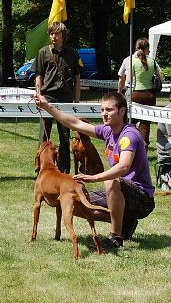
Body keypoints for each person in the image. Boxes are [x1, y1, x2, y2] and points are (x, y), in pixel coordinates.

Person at [34, 91, 155, 251]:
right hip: (121, 192)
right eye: (102, 109)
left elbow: (123, 167)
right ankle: (126, 221)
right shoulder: (108, 131)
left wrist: (95, 177)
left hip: (141, 198)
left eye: (109, 110)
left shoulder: (130, 135)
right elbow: (74, 124)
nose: (104, 114)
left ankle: (115, 237)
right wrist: (46, 106)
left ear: (122, 111)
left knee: (111, 180)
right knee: (76, 202)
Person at [33, 21, 83, 174]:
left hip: (66, 99)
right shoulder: (43, 52)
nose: (53, 36)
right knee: (44, 135)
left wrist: (77, 101)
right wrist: (38, 95)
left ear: (63, 35)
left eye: (56, 34)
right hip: (47, 97)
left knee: (65, 136)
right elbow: (38, 76)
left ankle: (64, 170)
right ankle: (42, 169)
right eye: (51, 33)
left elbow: (77, 78)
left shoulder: (73, 54)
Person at [118, 38, 163, 146]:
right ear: (147, 48)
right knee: (145, 123)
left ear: (136, 47)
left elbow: (126, 80)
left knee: (130, 122)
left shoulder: (130, 61)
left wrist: (120, 91)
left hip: (135, 94)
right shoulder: (153, 61)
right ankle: (144, 148)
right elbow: (161, 76)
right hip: (150, 96)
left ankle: (130, 144)